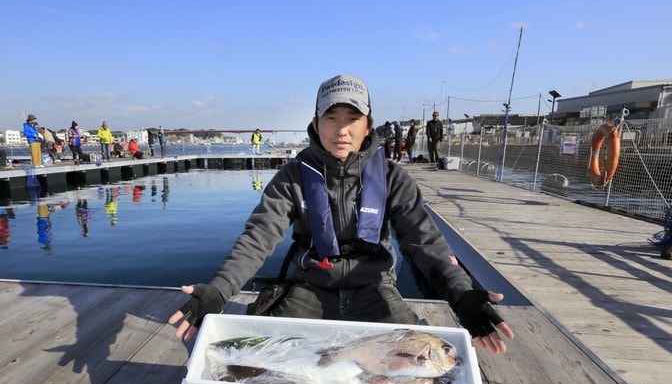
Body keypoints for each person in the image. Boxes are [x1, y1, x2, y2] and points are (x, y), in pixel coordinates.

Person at [168, 74, 515, 355]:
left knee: (423, 358)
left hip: (375, 286)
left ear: (369, 125)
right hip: (310, 287)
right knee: (261, 354)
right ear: (316, 123)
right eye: (331, 117)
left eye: (353, 119)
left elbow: (426, 243)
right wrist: (217, 291)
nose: (342, 129)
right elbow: (257, 239)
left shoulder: (394, 178)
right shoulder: (292, 177)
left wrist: (464, 297)